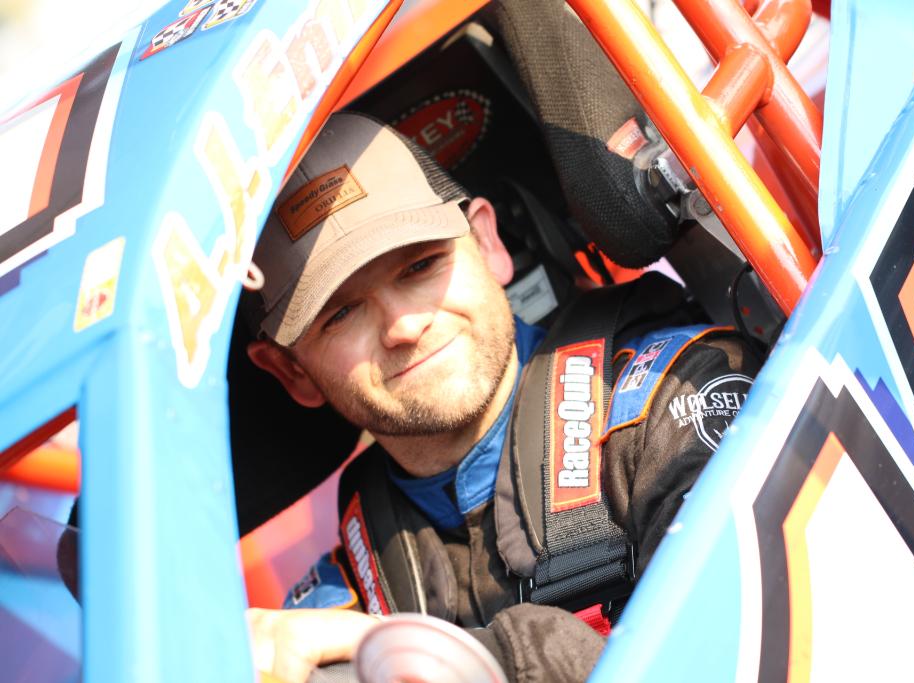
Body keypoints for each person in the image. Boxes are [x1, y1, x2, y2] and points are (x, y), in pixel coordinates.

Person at [243, 112, 761, 682]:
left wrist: (419, 664)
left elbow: (746, 648)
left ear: (486, 243)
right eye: (341, 313)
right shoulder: (342, 599)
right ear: (291, 370)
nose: (404, 325)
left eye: (420, 265)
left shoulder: (676, 400)